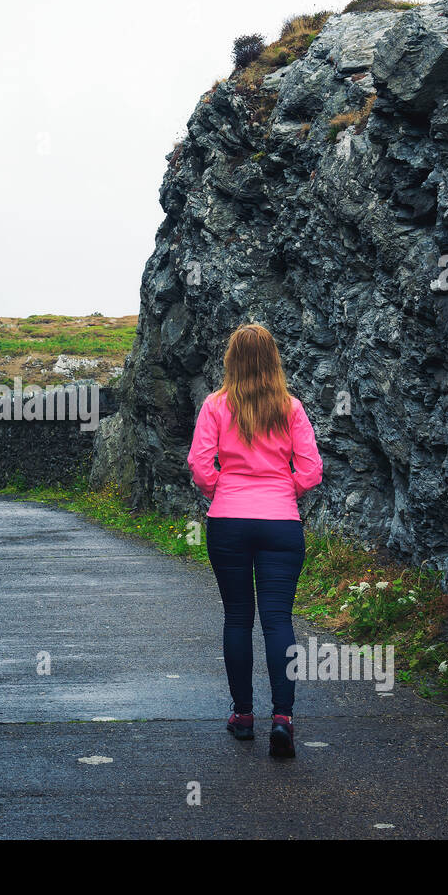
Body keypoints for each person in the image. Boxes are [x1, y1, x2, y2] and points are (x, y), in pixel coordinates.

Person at [186, 323, 323, 758]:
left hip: (228, 520)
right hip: (281, 522)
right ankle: (282, 718)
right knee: (279, 620)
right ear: (273, 360)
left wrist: (220, 490)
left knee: (237, 618)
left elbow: (199, 463)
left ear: (231, 360)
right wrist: (287, 491)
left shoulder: (215, 405)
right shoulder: (292, 407)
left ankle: (243, 716)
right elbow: (312, 470)